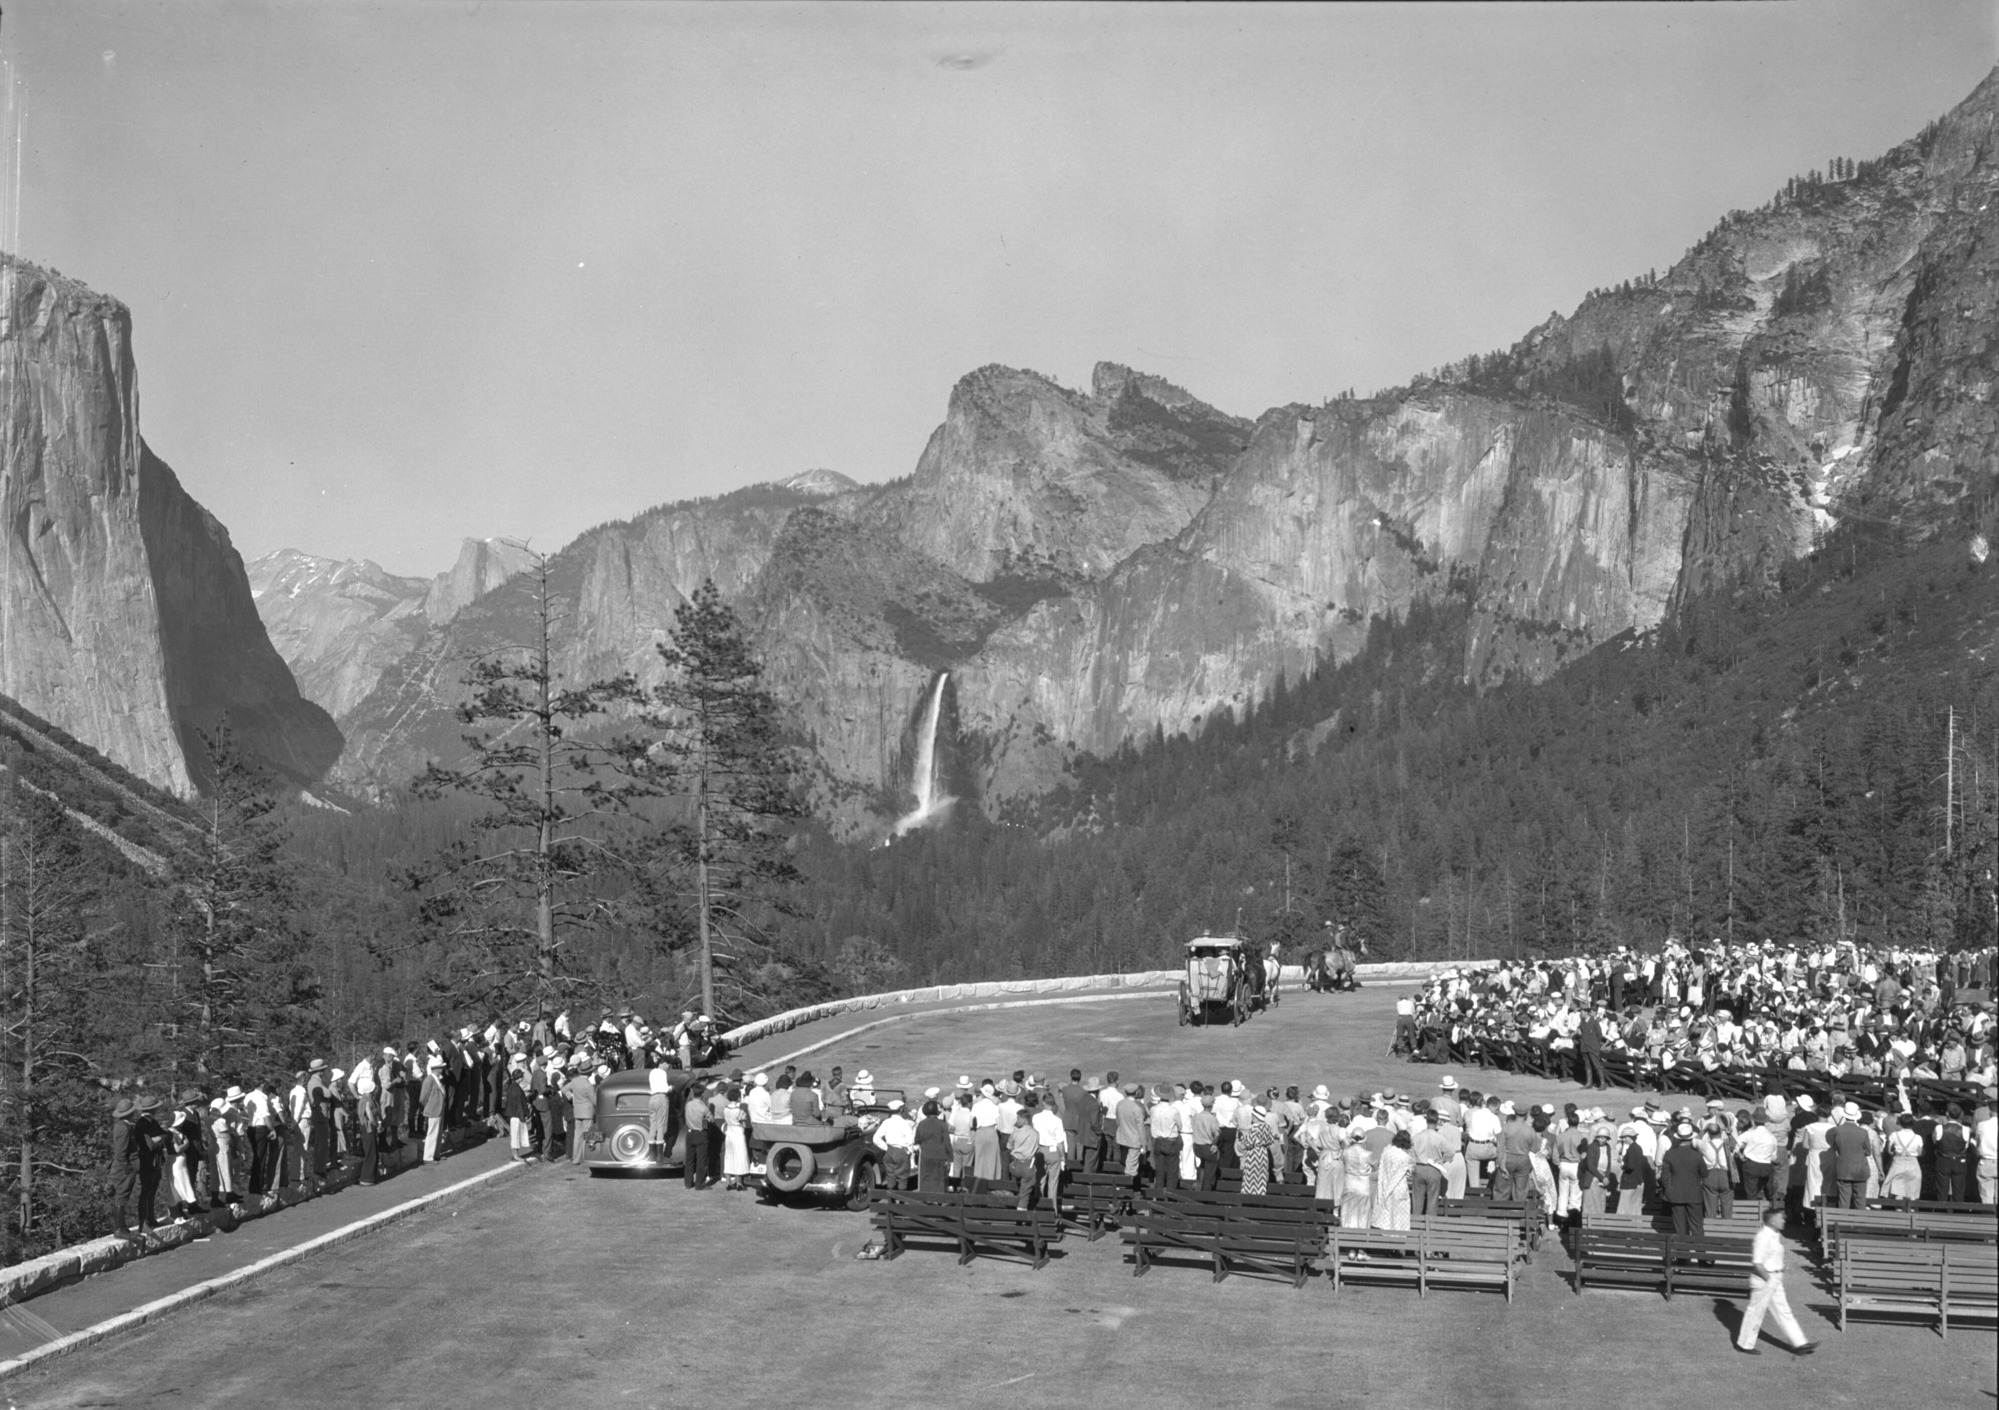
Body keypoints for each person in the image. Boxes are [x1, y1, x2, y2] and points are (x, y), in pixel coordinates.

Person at [1735, 1205, 1818, 1357]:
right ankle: (1744, 1344)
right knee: (1756, 1312)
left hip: (1774, 1278)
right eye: (1780, 1218)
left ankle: (1800, 1344)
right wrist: (1768, 1279)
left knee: (1784, 1311)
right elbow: (1757, 1262)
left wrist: (1778, 1272)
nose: (1784, 1220)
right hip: (1764, 1279)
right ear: (1772, 1221)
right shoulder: (1763, 1236)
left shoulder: (1775, 1234)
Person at [1659, 1121, 1705, 1238]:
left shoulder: (1670, 1154)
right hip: (1694, 1194)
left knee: (1679, 1228)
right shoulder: (1697, 1155)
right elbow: (1705, 1173)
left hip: (1676, 1194)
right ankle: (1700, 1249)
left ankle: (1681, 1250)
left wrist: (1669, 1189)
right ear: (1691, 1138)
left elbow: (1665, 1176)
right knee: (1697, 1227)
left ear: (1678, 1138)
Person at [914, 1099, 952, 1192]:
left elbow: (917, 1140)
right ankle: (938, 1198)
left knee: (926, 1179)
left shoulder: (921, 1124)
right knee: (939, 1180)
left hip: (925, 1156)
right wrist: (950, 1158)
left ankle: (926, 1197)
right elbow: (947, 1142)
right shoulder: (942, 1124)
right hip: (940, 1156)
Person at [566, 1062, 599, 1166]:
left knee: (577, 1135)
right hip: (587, 1112)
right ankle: (586, 1156)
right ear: (590, 1073)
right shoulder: (588, 1085)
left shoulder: (575, 1081)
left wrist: (571, 1096)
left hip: (577, 1111)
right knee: (587, 1135)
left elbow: (564, 1089)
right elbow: (595, 1101)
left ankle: (576, 1158)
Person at [683, 1082, 712, 1189]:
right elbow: (711, 1119)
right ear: (702, 1094)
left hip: (690, 1133)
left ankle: (688, 1182)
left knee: (689, 1159)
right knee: (701, 1160)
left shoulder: (688, 1105)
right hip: (700, 1134)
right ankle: (700, 1184)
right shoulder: (703, 1107)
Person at [422, 1056, 449, 1163]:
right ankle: (428, 1157)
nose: (442, 1069)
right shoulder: (429, 1080)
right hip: (434, 1109)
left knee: (438, 1132)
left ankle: (436, 1154)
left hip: (440, 1108)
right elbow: (423, 1097)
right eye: (440, 1067)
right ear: (436, 1068)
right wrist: (429, 1105)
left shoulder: (437, 1079)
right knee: (432, 1133)